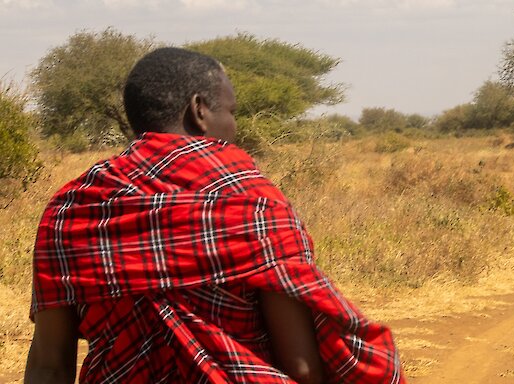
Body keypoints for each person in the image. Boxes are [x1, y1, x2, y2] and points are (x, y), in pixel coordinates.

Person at [23, 47, 402, 383]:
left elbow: (49, 366)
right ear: (199, 110)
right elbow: (302, 367)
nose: (234, 125)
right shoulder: (253, 204)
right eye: (231, 111)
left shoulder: (72, 209)